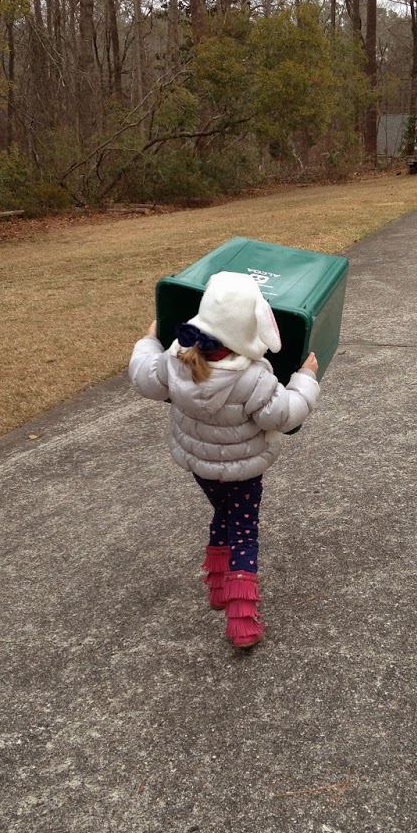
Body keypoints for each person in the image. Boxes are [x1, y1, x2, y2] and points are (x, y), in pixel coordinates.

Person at [128, 271, 320, 648]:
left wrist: (149, 340)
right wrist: (305, 379)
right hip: (244, 471)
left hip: (201, 467)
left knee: (224, 515)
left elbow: (142, 376)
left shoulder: (176, 358)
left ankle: (218, 589)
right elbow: (283, 414)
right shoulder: (253, 378)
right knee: (245, 534)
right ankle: (242, 622)